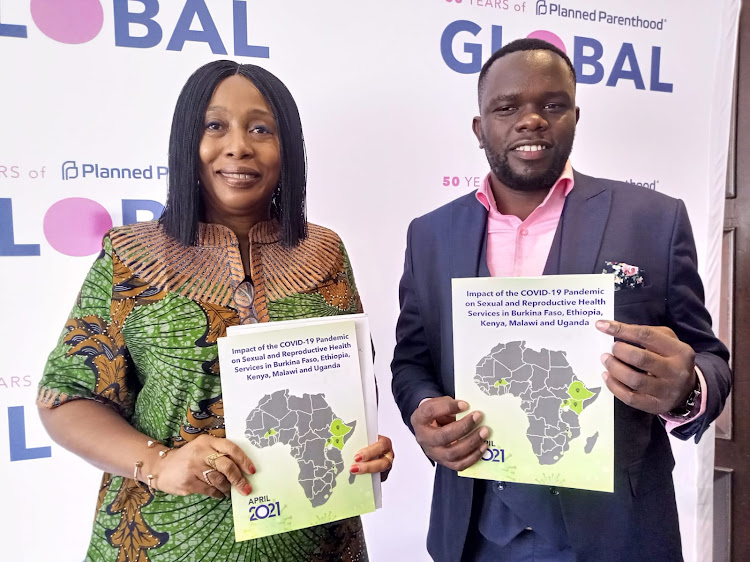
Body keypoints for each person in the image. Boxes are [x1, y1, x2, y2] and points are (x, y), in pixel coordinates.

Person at [37, 60, 394, 561]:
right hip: (166, 540)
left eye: (261, 128)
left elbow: (351, 391)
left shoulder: (326, 252)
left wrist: (364, 445)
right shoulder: (129, 254)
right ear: (188, 141)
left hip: (314, 539)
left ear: (286, 148)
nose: (239, 145)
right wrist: (158, 463)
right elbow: (66, 397)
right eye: (215, 125)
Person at [390, 38, 731, 562]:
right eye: (507, 108)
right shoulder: (430, 235)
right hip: (475, 533)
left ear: (575, 116)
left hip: (618, 533)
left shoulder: (653, 219)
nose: (531, 120)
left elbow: (709, 359)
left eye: (552, 105)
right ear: (481, 129)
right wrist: (422, 412)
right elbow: (412, 362)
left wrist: (688, 388)